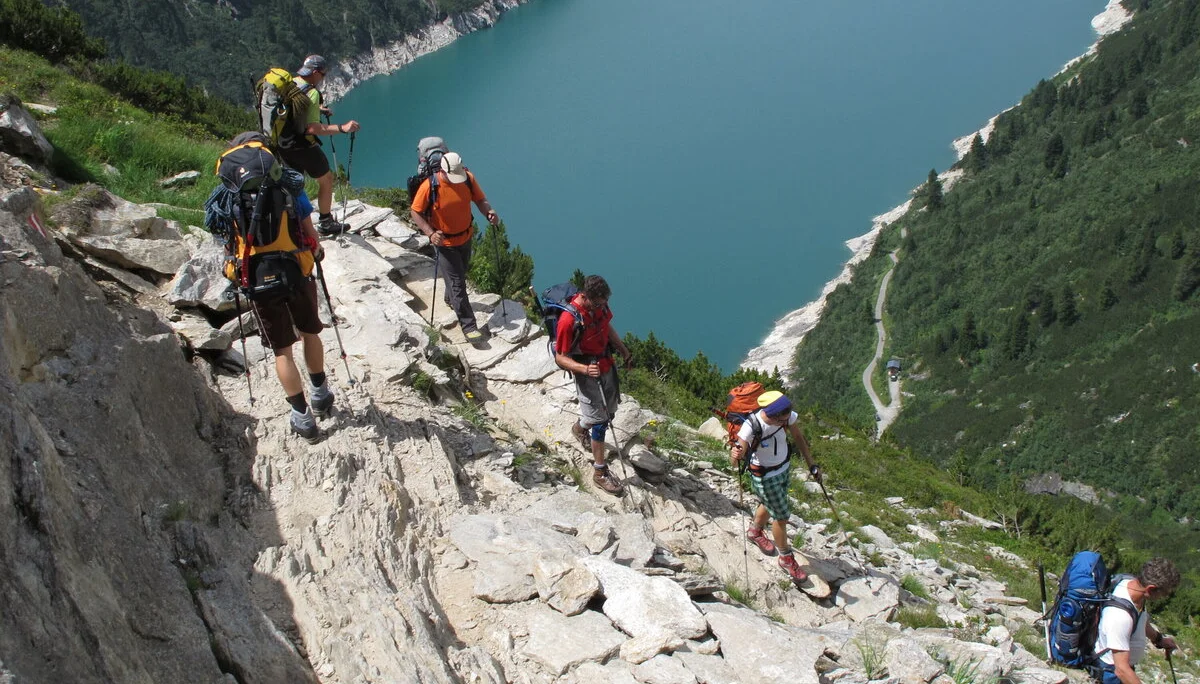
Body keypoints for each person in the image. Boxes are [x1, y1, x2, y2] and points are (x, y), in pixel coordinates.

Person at [252, 186, 335, 442]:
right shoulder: (288, 187)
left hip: (259, 281)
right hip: (296, 271)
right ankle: (320, 395)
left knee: (282, 351)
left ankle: (303, 418)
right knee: (310, 333)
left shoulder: (229, 193)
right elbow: (311, 235)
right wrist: (317, 252)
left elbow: (228, 245)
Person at [409, 151, 500, 343]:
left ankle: (451, 299)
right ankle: (469, 326)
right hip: (445, 243)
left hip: (465, 237)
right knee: (458, 284)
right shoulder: (430, 185)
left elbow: (480, 200)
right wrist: (430, 233)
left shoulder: (468, 179)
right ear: (443, 170)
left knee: (460, 274)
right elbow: (415, 211)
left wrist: (489, 212)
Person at [553, 275, 632, 495]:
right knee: (601, 421)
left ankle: (579, 429)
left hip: (606, 364)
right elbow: (561, 357)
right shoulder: (569, 321)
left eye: (605, 302)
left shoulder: (599, 308)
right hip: (588, 372)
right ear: (585, 297)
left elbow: (607, 328)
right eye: (598, 303)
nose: (602, 306)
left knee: (609, 411)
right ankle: (599, 472)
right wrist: (585, 369)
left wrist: (624, 350)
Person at [730, 390, 819, 582]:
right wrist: (735, 455)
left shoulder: (785, 416)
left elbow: (799, 439)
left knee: (769, 504)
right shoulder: (751, 426)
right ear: (771, 415)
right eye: (782, 421)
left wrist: (811, 464)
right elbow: (737, 455)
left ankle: (755, 531)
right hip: (765, 475)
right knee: (781, 516)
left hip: (783, 468)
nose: (786, 423)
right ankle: (786, 558)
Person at [276, 54, 361, 237]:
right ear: (315, 72)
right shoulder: (312, 92)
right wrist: (342, 128)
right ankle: (325, 221)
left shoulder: (291, 83)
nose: (323, 78)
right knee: (326, 179)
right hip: (302, 145)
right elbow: (312, 128)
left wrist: (318, 109)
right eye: (322, 75)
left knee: (294, 184)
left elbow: (292, 110)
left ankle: (295, 225)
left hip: (282, 143)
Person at [1092, 557, 1180, 684]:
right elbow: (1121, 670)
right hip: (1111, 674)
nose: (1164, 597)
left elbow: (1139, 618)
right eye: (1164, 593)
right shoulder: (1119, 617)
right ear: (1150, 589)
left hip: (1123, 668)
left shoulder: (1133, 586)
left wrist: (1158, 639)